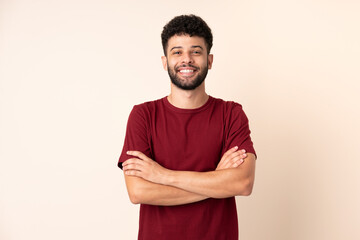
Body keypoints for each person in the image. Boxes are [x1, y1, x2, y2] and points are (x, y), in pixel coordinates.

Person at [118, 14, 257, 240]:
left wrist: (163, 176)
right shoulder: (142, 115)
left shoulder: (231, 114)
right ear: (165, 62)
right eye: (177, 52)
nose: (187, 59)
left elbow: (242, 183)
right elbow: (138, 191)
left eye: (196, 51)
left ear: (209, 60)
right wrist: (216, 179)